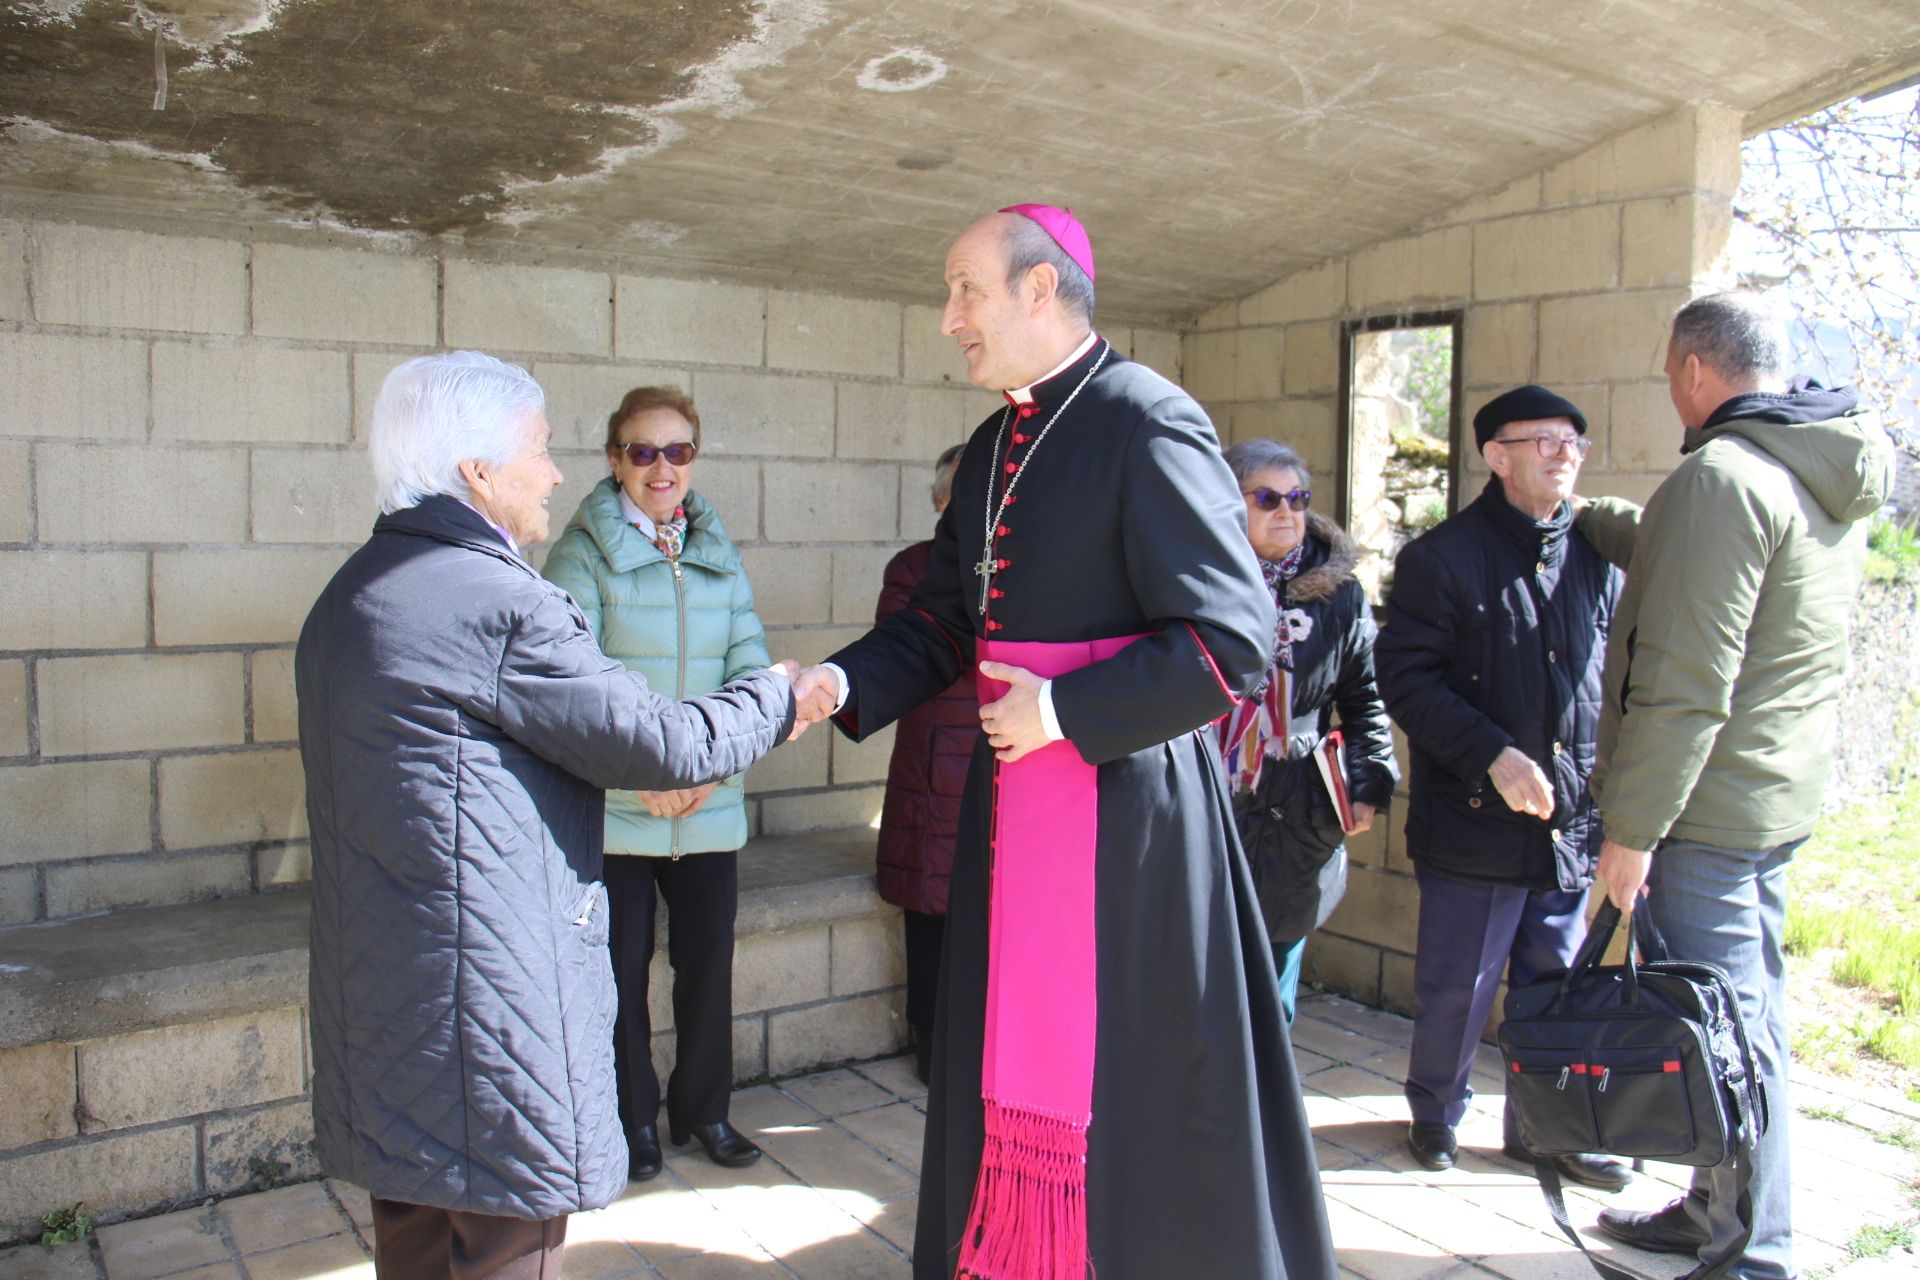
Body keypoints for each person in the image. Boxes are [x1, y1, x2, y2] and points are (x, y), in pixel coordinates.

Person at [793, 205, 1335, 1280]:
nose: (949, 317)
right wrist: (839, 679)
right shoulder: (1000, 438)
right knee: (1002, 1051)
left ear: (1041, 289)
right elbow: (944, 620)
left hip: (1126, 810)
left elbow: (1231, 639)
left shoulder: (1149, 418)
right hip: (1017, 804)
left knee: (1128, 1079)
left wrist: (1064, 712)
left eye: (966, 290)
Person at [297, 352, 795, 1280]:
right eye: (539, 448)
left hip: (392, 1011)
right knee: (503, 1254)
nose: (556, 472)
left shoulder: (351, 594)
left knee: (415, 1249)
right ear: (477, 473)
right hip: (483, 1024)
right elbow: (661, 744)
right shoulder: (501, 604)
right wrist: (780, 694)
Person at [1582, 293, 1894, 1280]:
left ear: (1692, 371)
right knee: (1736, 1018)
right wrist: (1603, 522)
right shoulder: (1807, 468)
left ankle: (1754, 1249)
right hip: (1768, 798)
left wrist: (1630, 832)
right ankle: (1714, 1205)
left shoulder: (1721, 478)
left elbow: (1685, 683)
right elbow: (1730, 582)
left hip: (1703, 814)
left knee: (1730, 1036)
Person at [1374, 384, 1628, 1191]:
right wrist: (1493, 754)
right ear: (1496, 455)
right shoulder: (1441, 559)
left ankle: (1544, 1131)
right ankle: (1436, 1114)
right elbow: (1405, 679)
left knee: (1554, 985)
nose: (1565, 453)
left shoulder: (1596, 557)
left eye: (1574, 442)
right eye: (1545, 439)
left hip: (1567, 824)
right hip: (1476, 819)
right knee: (1461, 984)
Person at [541, 386, 769, 1180]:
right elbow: (574, 690)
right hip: (616, 815)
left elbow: (748, 666)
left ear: (693, 460)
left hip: (706, 806)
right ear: (615, 460)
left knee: (708, 970)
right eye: (643, 451)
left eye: (678, 451)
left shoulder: (717, 549)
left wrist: (712, 764)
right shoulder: (580, 556)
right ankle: (631, 1118)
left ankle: (704, 1110)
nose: (661, 467)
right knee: (620, 976)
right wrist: (643, 780)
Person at [1215, 438, 1396, 1024]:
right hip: (1209, 782)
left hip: (1296, 798)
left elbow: (1364, 697)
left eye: (1297, 497)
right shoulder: (1197, 578)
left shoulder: (1339, 595)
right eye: (1266, 498)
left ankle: (1265, 1107)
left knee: (1278, 953)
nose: (1286, 511)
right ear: (1227, 499)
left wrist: (1368, 781)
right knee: (1202, 949)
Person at [872, 443, 973, 1085]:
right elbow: (904, 655)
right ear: (940, 503)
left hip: (1002, 762)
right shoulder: (913, 569)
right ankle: (932, 1048)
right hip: (938, 770)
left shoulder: (1027, 566)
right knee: (933, 912)